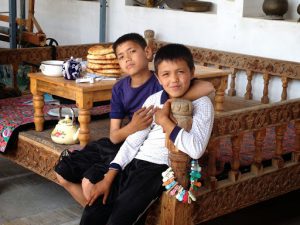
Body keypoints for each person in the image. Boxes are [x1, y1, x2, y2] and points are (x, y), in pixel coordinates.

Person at [54, 33, 214, 208]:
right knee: (63, 172)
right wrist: (133, 126)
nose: (127, 59)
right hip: (128, 138)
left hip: (143, 146)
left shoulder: (163, 79)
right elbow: (115, 137)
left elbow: (208, 86)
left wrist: (168, 105)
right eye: (121, 56)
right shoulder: (120, 88)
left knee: (88, 182)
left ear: (147, 52)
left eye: (132, 52)